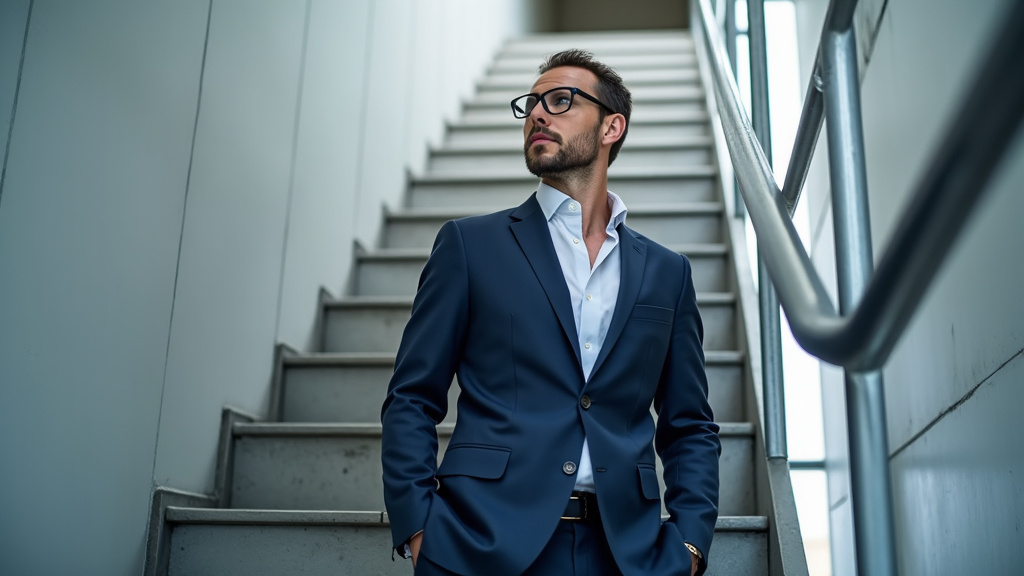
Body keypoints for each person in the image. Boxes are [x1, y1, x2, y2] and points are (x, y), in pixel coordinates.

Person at [381, 49, 720, 576]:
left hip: (627, 554)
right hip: (482, 543)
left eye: (561, 100)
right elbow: (411, 397)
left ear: (612, 127)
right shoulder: (470, 246)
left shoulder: (667, 272)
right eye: (532, 104)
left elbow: (690, 423)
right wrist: (419, 526)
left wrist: (690, 545)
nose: (538, 113)